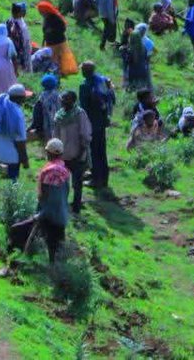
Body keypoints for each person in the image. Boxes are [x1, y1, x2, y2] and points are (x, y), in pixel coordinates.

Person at [52, 91, 92, 214]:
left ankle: (76, 208)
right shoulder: (59, 115)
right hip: (63, 155)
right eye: (62, 99)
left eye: (66, 99)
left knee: (77, 183)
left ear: (73, 101)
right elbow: (56, 135)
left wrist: (81, 152)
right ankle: (63, 206)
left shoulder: (80, 114)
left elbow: (85, 135)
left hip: (77, 154)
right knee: (61, 183)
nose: (63, 101)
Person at [79, 62, 115, 190]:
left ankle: (96, 179)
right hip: (102, 120)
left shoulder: (85, 85)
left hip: (91, 122)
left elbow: (83, 107)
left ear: (84, 71)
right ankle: (103, 178)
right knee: (101, 151)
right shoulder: (102, 81)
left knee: (93, 151)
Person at [36, 139, 71, 262]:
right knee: (59, 242)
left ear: (49, 153)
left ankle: (49, 265)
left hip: (48, 214)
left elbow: (42, 195)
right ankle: (61, 267)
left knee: (47, 240)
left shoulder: (47, 170)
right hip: (61, 213)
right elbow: (66, 193)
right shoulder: (65, 172)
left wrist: (41, 211)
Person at [38, 0, 78, 77]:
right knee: (53, 59)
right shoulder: (46, 18)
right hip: (50, 42)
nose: (40, 13)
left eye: (41, 11)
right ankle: (55, 71)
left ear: (45, 10)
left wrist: (52, 31)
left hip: (58, 42)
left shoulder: (55, 18)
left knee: (61, 58)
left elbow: (63, 28)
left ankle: (62, 71)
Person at [125, 23, 154, 91]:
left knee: (133, 87)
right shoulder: (143, 47)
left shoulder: (131, 49)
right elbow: (147, 57)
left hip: (133, 71)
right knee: (144, 86)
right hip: (143, 69)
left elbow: (128, 60)